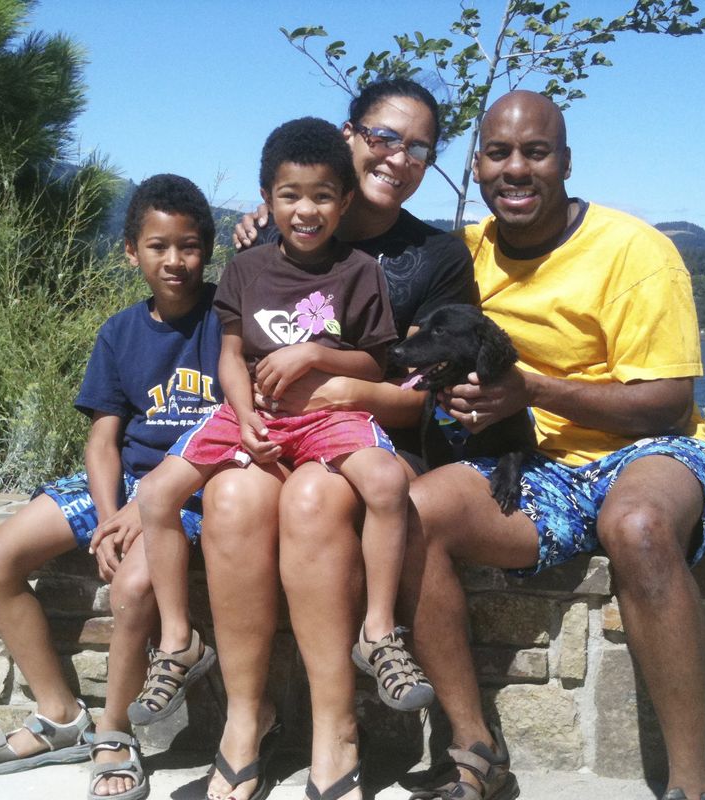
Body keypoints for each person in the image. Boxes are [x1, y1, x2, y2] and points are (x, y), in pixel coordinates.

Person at [400, 90, 705, 800]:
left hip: (646, 451)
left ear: (566, 162)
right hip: (535, 466)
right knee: (411, 514)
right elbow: (353, 265)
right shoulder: (462, 254)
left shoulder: (635, 251)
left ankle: (692, 786)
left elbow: (667, 405)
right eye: (498, 153)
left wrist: (532, 390)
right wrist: (264, 229)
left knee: (636, 526)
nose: (515, 169)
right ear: (478, 164)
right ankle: (475, 753)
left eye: (535, 152)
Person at [201, 79, 475, 800]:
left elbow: (424, 402)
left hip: (363, 439)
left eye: (420, 147)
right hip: (270, 431)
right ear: (348, 136)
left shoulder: (436, 255)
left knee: (315, 500)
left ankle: (335, 729)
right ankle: (244, 719)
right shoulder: (271, 234)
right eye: (385, 137)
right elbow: (231, 346)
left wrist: (340, 386)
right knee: (229, 498)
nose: (400, 157)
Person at [130, 117, 434, 743]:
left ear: (344, 200)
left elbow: (374, 363)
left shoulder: (357, 272)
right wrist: (240, 415)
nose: (306, 209)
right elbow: (229, 354)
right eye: (290, 195)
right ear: (266, 199)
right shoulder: (246, 269)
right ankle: (179, 643)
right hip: (254, 414)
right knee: (157, 495)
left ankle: (378, 633)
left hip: (326, 415)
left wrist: (314, 355)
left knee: (382, 480)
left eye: (323, 195)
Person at [0, 174, 223, 800]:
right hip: (126, 486)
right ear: (131, 251)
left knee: (135, 585)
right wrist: (113, 516)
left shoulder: (229, 322)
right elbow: (103, 440)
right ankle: (60, 716)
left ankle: (115, 733)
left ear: (209, 250)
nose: (175, 261)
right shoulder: (120, 333)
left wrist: (147, 506)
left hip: (193, 492)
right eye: (158, 246)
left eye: (189, 246)